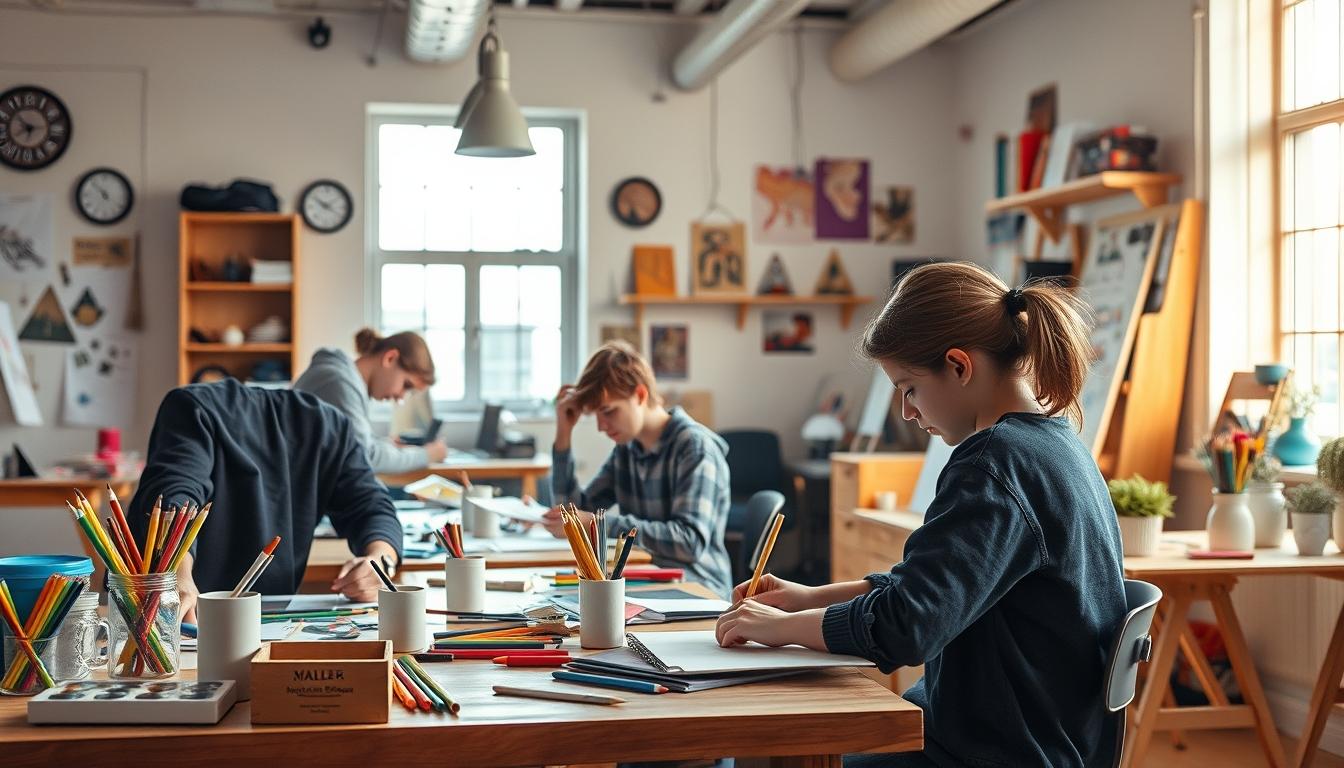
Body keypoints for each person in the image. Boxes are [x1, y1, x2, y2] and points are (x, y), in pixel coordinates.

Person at [715, 262, 1127, 767]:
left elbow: (906, 626)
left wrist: (779, 629)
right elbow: (932, 586)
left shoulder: (994, 463)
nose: (908, 412)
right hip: (1026, 738)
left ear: (958, 366)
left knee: (766, 754)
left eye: (908, 388)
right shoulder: (1057, 444)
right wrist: (810, 598)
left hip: (991, 752)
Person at [128, 379, 403, 622]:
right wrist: (176, 574)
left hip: (269, 620)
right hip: (184, 615)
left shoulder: (331, 428)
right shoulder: (191, 409)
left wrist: (380, 562)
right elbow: (176, 492)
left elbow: (372, 505)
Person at [542, 341, 733, 598]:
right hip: (648, 577)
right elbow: (573, 516)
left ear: (640, 395)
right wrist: (564, 433)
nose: (601, 426)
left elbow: (689, 543)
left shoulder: (695, 448)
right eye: (596, 416)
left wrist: (598, 525)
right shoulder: (627, 449)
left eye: (608, 412)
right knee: (568, 603)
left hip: (698, 587)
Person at [293, 328, 447, 473]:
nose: (401, 397)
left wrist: (386, 445)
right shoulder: (339, 383)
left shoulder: (342, 377)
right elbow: (365, 456)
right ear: (390, 358)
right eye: (406, 385)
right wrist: (426, 455)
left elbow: (357, 445)